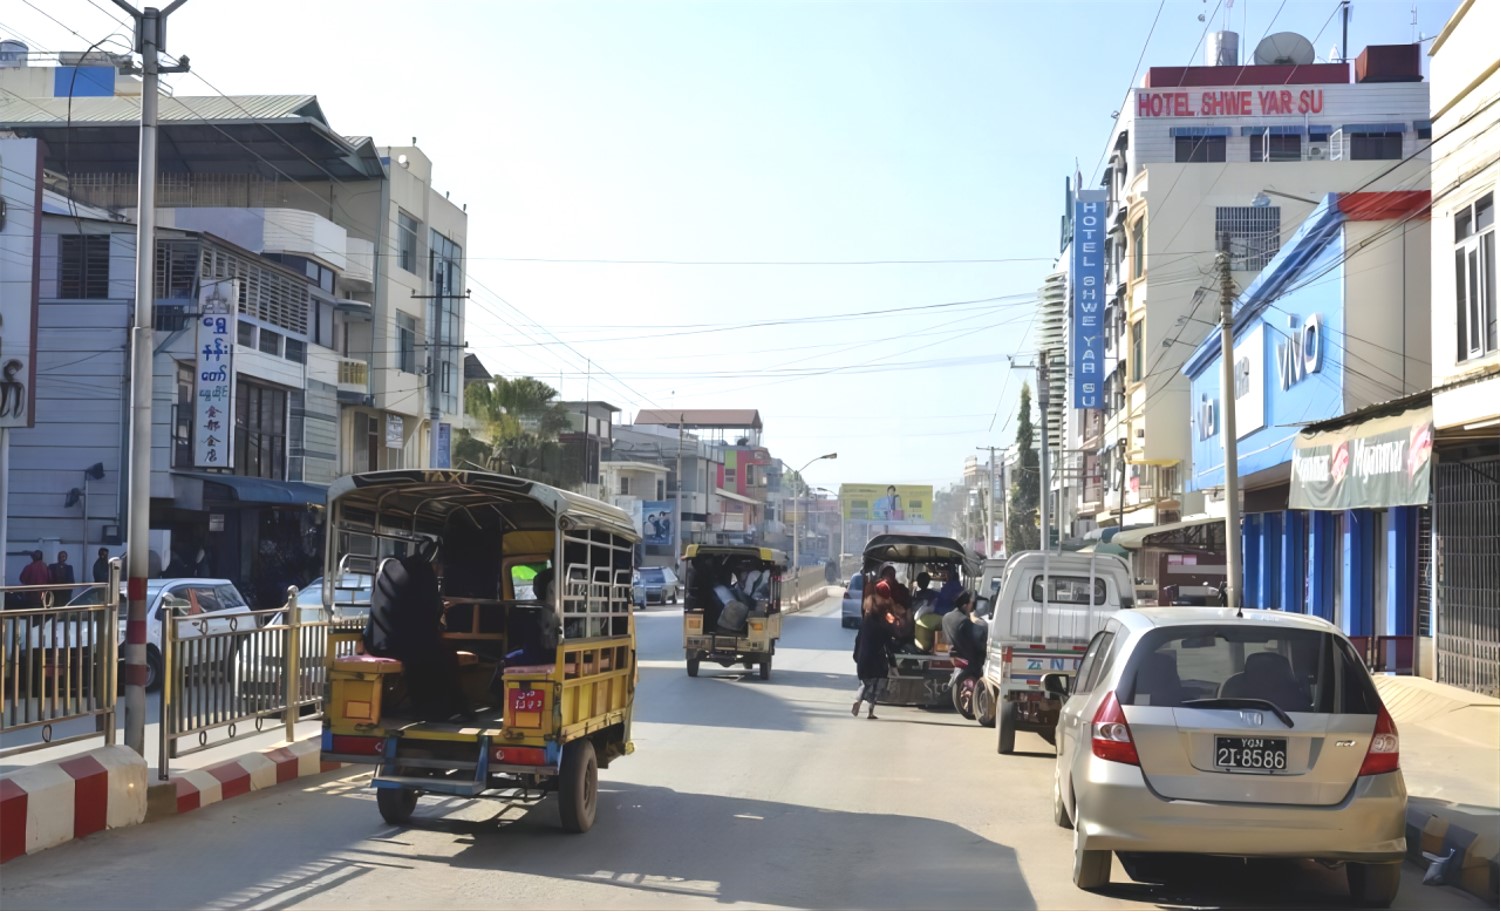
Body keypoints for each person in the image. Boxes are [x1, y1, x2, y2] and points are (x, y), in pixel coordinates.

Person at [851, 580, 896, 720]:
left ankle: (858, 699)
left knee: (865, 683)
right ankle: (870, 711)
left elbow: (858, 639)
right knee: (878, 683)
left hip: (863, 658)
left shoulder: (866, 618)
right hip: (877, 659)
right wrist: (893, 664)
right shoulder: (884, 620)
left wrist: (856, 655)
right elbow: (888, 643)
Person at [942, 591, 985, 666]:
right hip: (968, 660)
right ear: (965, 605)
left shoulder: (946, 617)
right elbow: (979, 637)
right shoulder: (964, 621)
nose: (972, 608)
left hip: (953, 657)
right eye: (971, 604)